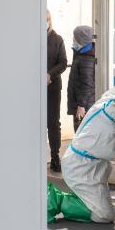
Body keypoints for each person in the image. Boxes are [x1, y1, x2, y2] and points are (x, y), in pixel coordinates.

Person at [48, 84, 115, 223]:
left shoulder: (107, 102)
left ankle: (82, 198)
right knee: (102, 215)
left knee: (98, 201)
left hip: (86, 164)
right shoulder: (105, 134)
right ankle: (57, 199)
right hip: (81, 171)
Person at [47, 10, 67, 172]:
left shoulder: (57, 39)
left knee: (53, 122)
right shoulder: (30, 38)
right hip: (32, 88)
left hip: (52, 87)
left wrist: (49, 74)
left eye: (46, 20)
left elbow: (63, 62)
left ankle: (55, 157)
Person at [67, 25, 96, 132]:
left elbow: (87, 84)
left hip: (84, 107)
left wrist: (81, 105)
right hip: (82, 104)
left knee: (81, 135)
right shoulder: (82, 53)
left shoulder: (86, 58)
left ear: (80, 39)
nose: (73, 39)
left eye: (74, 37)